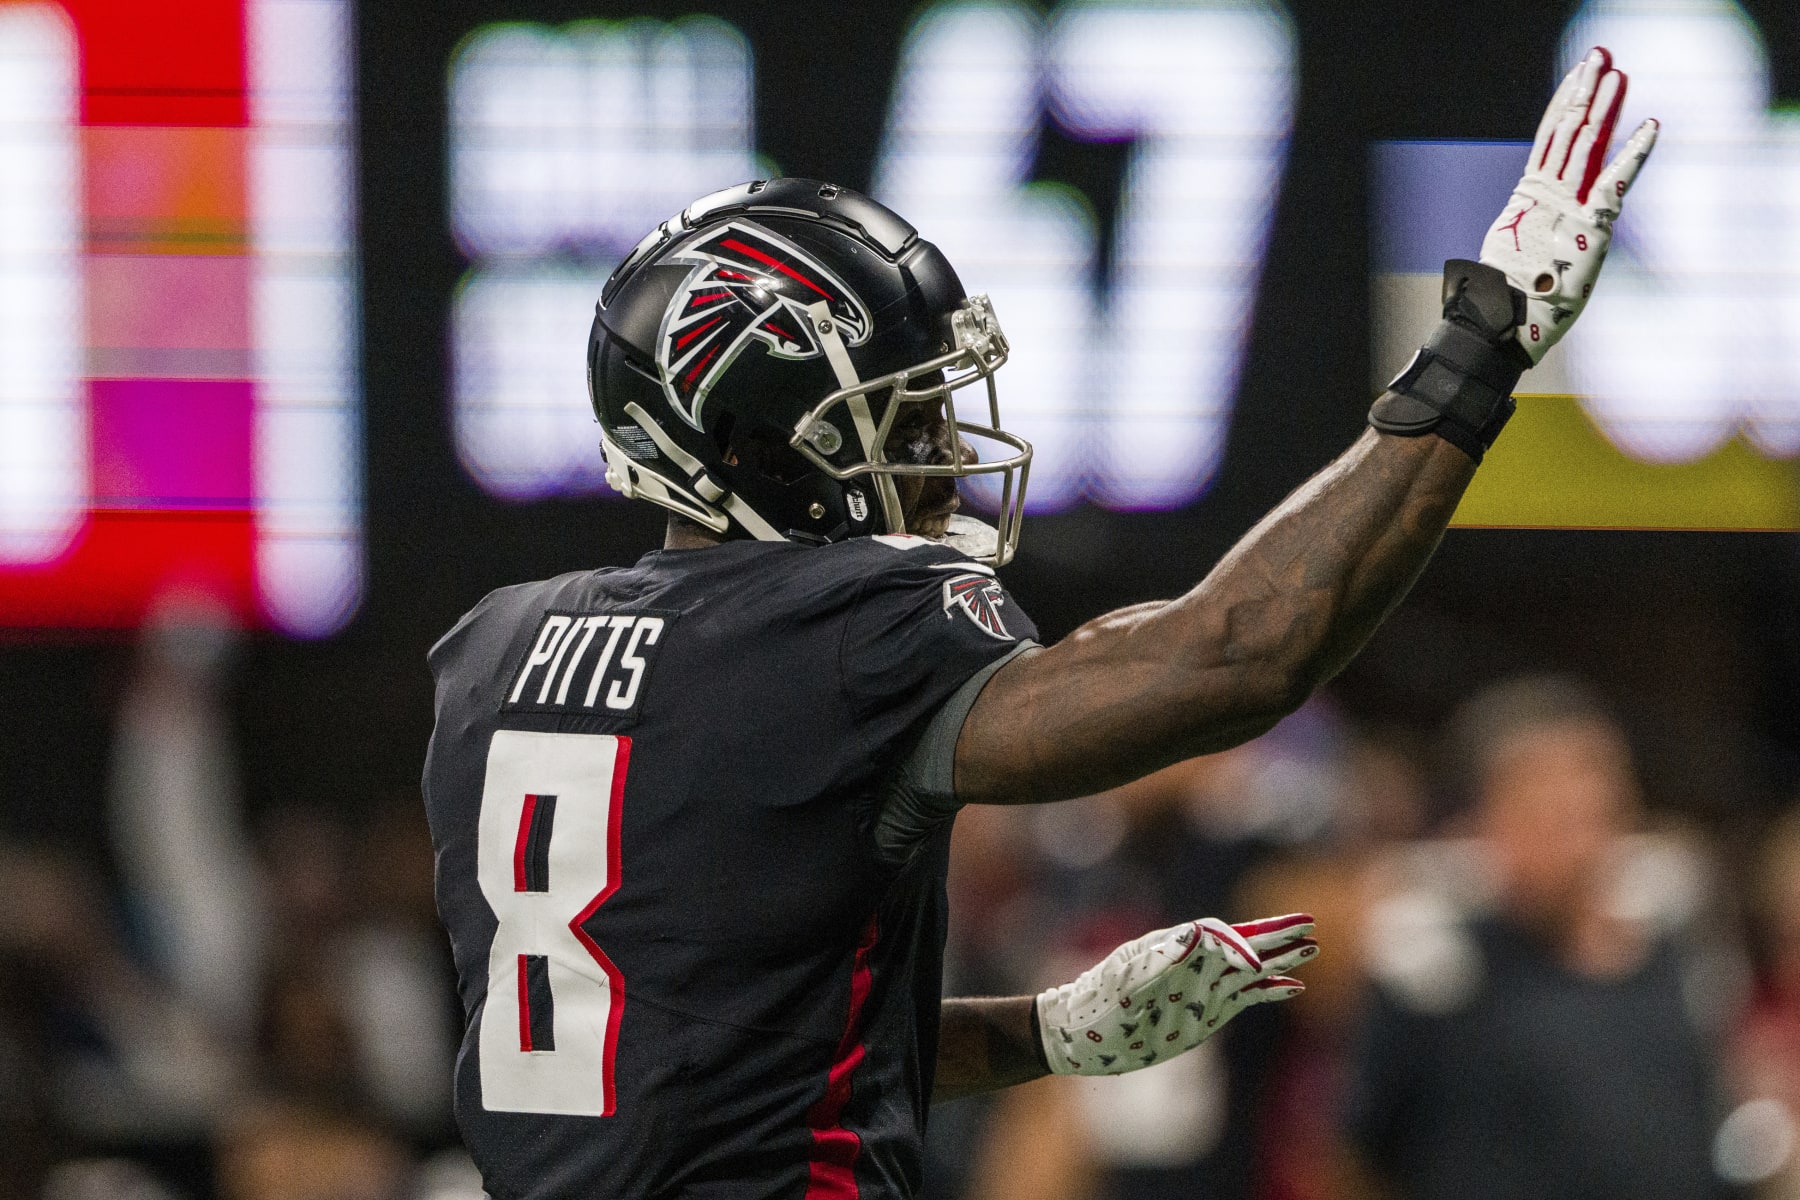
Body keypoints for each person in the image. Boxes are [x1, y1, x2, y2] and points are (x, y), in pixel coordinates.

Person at [422, 49, 1656, 1199]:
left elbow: (711, 1042)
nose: (946, 454)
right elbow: (1235, 655)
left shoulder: (492, 657)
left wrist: (1047, 1029)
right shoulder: (837, 633)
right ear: (751, 448)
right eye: (899, 424)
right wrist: (1477, 350)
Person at [1345, 674, 1729, 1200]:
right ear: (1486, 820)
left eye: (1588, 796)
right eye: (1543, 801)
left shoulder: (1672, 960)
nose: (1574, 825)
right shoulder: (1438, 975)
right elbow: (1358, 1154)